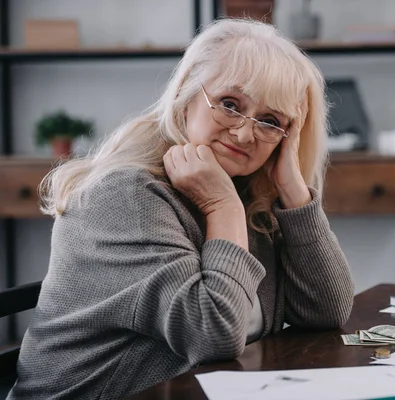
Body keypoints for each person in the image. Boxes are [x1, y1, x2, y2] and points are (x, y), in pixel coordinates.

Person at [8, 18, 354, 400]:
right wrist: (220, 207)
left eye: (270, 121)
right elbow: (212, 333)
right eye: (229, 104)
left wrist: (292, 188)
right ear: (187, 96)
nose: (244, 133)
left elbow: (328, 312)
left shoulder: (248, 192)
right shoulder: (124, 196)